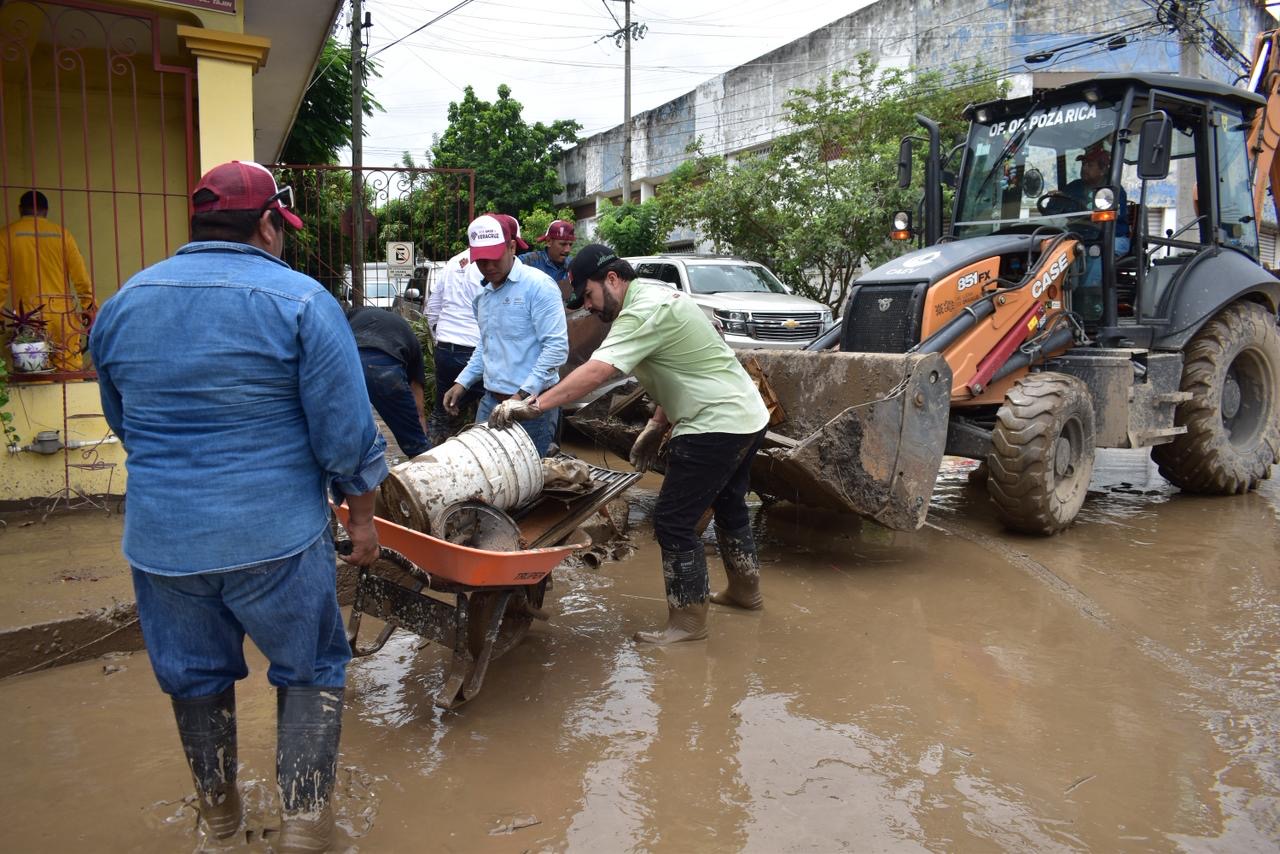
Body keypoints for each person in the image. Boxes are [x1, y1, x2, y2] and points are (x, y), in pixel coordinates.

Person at [89, 160, 387, 852]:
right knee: (311, 668)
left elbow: (125, 422)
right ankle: (307, 827)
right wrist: (364, 522)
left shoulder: (124, 304)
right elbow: (346, 436)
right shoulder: (302, 302)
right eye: (281, 228)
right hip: (276, 538)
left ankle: (219, 822)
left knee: (193, 680)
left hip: (163, 542)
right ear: (266, 225)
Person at [490, 244, 770, 645]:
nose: (587, 307)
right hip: (746, 415)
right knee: (728, 504)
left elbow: (598, 372)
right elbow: (680, 364)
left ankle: (688, 624)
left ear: (612, 279)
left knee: (673, 521)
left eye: (587, 295)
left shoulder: (640, 311)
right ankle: (746, 593)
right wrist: (657, 424)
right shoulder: (655, 296)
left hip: (715, 425)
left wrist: (534, 405)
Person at [442, 213, 568, 456]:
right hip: (490, 401)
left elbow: (556, 349)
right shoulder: (483, 296)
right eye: (481, 261)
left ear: (512, 247)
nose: (488, 267)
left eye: (494, 259)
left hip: (533, 406)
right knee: (485, 471)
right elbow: (487, 344)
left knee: (527, 482)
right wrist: (463, 382)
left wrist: (520, 397)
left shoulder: (538, 286)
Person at [0, 190, 95, 370]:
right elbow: (80, 276)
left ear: (20, 209)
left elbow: (1, 282)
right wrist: (89, 307)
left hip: (30, 316)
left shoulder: (6, 235)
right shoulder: (62, 234)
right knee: (69, 372)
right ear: (46, 210)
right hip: (62, 314)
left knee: (35, 371)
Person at [347, 304, 431, 458]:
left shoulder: (350, 318)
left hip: (347, 361)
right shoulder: (408, 336)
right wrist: (419, 432)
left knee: (346, 433)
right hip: (383, 367)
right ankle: (429, 470)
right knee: (416, 445)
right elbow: (418, 404)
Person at [424, 249, 486, 445]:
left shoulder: (452, 262)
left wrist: (439, 339)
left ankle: (428, 457)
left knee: (442, 412)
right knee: (489, 411)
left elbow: (432, 308)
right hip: (477, 348)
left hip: (446, 348)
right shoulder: (493, 265)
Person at [1063, 141, 1130, 317]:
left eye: (1090, 165)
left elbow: (1108, 222)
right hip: (1080, 237)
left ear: (1102, 169)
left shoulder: (1113, 190)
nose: (1084, 168)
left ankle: (1090, 309)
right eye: (1083, 164)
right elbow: (1058, 208)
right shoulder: (1073, 187)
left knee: (1095, 255)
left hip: (1112, 237)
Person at [519, 218, 575, 290]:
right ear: (548, 241)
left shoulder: (573, 266)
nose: (568, 250)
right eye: (563, 244)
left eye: (570, 244)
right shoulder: (528, 261)